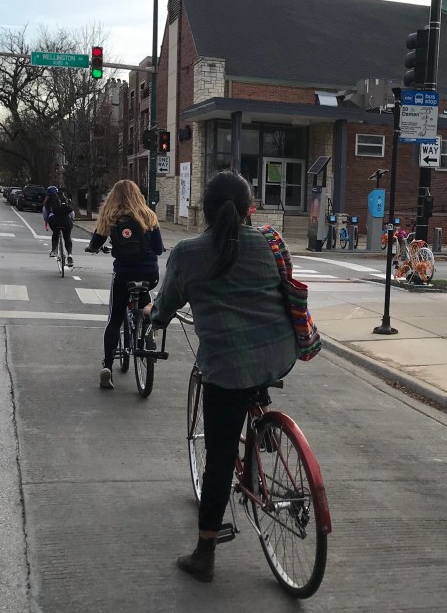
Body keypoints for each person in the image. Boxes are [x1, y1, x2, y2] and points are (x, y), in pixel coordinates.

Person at [145, 170, 299, 583]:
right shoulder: (271, 242)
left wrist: (153, 317)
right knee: (252, 362)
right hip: (281, 354)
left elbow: (165, 306)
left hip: (226, 368)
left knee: (217, 461)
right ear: (250, 209)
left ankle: (205, 552)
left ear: (206, 212)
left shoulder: (187, 253)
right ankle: (263, 419)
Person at [86, 179, 163, 389]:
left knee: (115, 318)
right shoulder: (148, 215)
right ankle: (148, 337)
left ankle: (108, 366)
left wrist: (93, 248)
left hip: (124, 275)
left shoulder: (110, 217)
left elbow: (95, 243)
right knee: (145, 304)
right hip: (149, 274)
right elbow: (158, 249)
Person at [42, 186, 74, 266]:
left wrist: (46, 222)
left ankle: (53, 251)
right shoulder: (64, 199)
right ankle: (70, 255)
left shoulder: (48, 202)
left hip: (54, 220)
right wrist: (71, 221)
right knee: (67, 237)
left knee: (55, 233)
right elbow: (72, 213)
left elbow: (45, 215)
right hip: (66, 220)